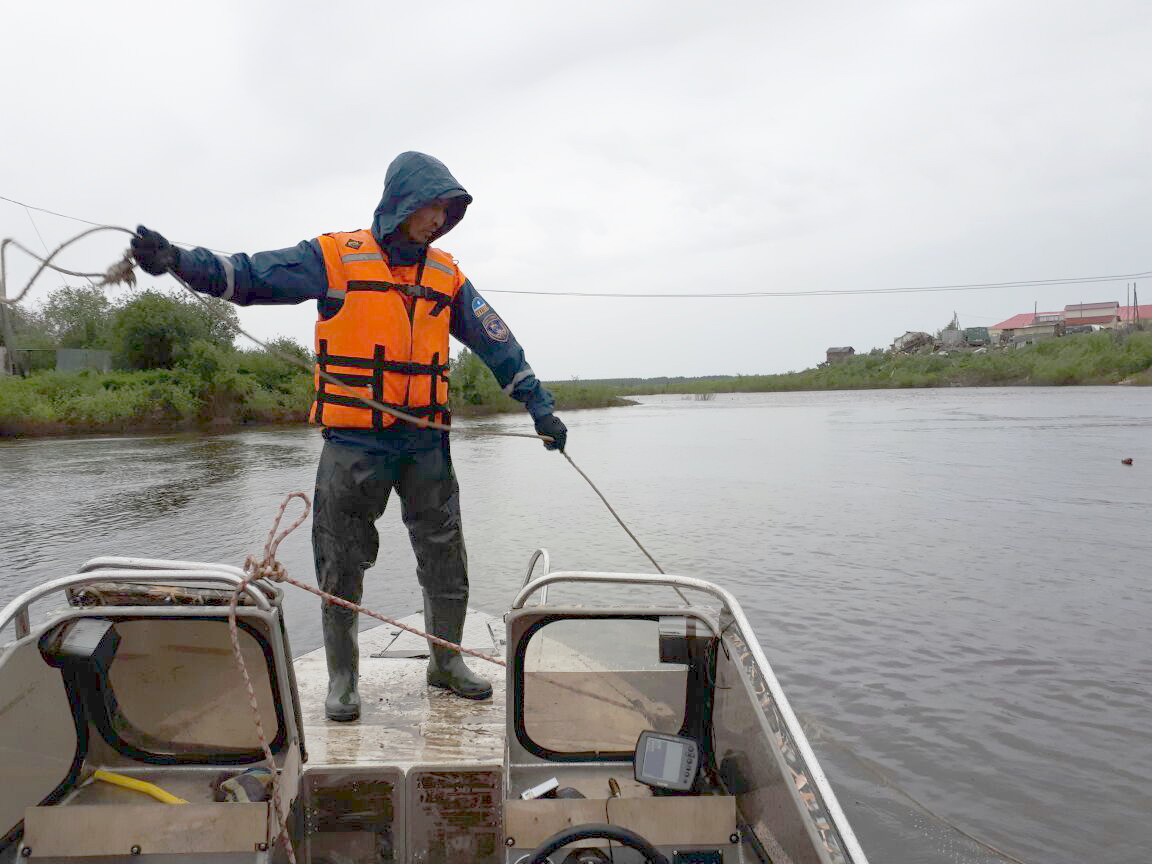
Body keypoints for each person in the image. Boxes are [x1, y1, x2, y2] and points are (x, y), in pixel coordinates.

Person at [130, 151, 567, 721]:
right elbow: (255, 274)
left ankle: (445, 661)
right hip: (353, 444)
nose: (438, 221)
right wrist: (180, 261)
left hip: (425, 444)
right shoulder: (334, 257)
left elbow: (496, 340)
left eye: (446, 211)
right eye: (431, 208)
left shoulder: (448, 276)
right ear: (401, 203)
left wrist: (539, 405)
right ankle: (343, 677)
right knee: (340, 560)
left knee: (445, 557)